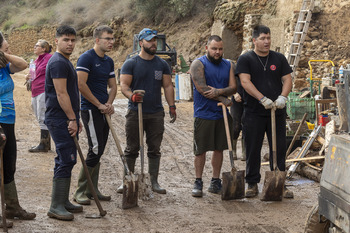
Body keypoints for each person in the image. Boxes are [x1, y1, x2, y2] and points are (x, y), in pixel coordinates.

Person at [235, 25, 293, 198]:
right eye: (262, 38)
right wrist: (261, 98)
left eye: (268, 38)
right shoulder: (246, 59)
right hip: (254, 112)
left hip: (277, 111)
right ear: (254, 40)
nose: (267, 41)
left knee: (279, 148)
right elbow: (245, 82)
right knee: (253, 148)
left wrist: (283, 97)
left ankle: (279, 182)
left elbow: (288, 79)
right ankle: (252, 183)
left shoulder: (279, 58)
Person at [117, 28, 176, 195]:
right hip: (136, 112)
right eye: (149, 40)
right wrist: (132, 97)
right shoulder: (131, 63)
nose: (153, 43)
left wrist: (172, 106)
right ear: (141, 42)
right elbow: (124, 86)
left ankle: (154, 181)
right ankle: (127, 180)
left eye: (154, 40)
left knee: (154, 148)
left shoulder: (162, 64)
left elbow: (167, 85)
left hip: (156, 112)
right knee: (132, 148)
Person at [73, 25, 117, 205]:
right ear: (97, 40)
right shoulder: (86, 58)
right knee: (95, 149)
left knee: (99, 150)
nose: (111, 42)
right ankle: (80, 191)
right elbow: (80, 84)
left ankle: (93, 189)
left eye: (112, 39)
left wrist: (109, 104)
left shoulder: (109, 61)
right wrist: (98, 104)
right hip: (90, 110)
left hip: (103, 110)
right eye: (108, 38)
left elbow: (114, 86)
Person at [189, 35, 236, 197]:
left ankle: (215, 181)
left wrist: (219, 92)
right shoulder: (198, 64)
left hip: (221, 114)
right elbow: (202, 88)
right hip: (203, 114)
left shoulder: (228, 65)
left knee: (219, 148)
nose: (217, 52)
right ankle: (198, 181)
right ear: (207, 48)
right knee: (200, 150)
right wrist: (224, 99)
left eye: (220, 49)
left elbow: (233, 87)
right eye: (214, 48)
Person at [45, 25, 83, 221]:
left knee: (68, 158)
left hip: (66, 117)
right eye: (66, 40)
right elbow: (61, 93)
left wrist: (76, 117)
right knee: (65, 157)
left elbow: (71, 93)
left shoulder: (64, 61)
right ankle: (56, 205)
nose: (70, 43)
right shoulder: (58, 62)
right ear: (57, 41)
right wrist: (71, 119)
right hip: (59, 118)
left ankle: (63, 200)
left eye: (72, 40)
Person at [0, 31, 36, 226]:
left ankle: (12, 207)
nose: (10, 51)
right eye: (6, 47)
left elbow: (22, 64)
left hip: (8, 120)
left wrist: (4, 55)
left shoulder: (4, 67)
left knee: (9, 163)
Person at [27, 39, 53, 153]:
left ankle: (44, 144)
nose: (34, 47)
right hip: (35, 90)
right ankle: (46, 143)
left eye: (37, 46)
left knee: (43, 115)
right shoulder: (34, 61)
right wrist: (28, 78)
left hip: (43, 89)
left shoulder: (49, 58)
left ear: (43, 48)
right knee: (39, 115)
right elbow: (32, 76)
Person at [230, 75, 246, 161]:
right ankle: (233, 150)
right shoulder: (235, 69)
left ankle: (245, 151)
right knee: (235, 126)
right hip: (236, 100)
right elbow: (229, 83)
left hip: (249, 99)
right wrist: (235, 93)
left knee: (246, 125)